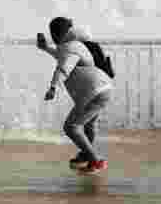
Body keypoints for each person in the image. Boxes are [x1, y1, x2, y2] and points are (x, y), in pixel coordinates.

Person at [37, 17, 114, 174]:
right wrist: (45, 48)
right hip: (103, 89)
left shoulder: (70, 49)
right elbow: (61, 55)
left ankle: (95, 160)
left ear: (58, 34)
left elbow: (64, 67)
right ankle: (86, 155)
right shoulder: (75, 45)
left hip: (93, 92)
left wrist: (53, 87)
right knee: (88, 125)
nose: (52, 37)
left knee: (72, 127)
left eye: (53, 33)